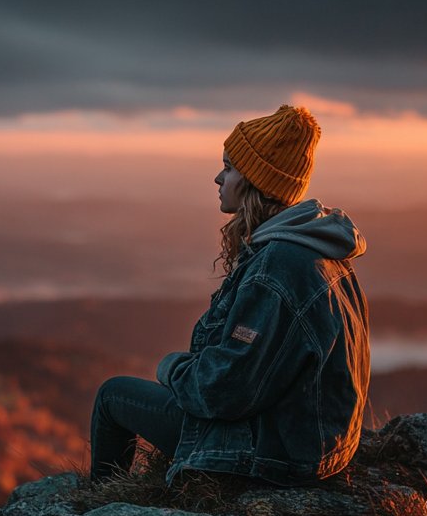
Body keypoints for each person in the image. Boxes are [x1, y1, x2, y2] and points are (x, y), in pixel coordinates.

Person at [88, 105, 369, 486]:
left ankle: (103, 503)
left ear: (256, 180)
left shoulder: (278, 267)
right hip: (316, 444)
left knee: (113, 396)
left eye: (230, 167)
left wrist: (172, 369)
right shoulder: (323, 251)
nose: (218, 178)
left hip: (273, 455)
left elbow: (223, 391)